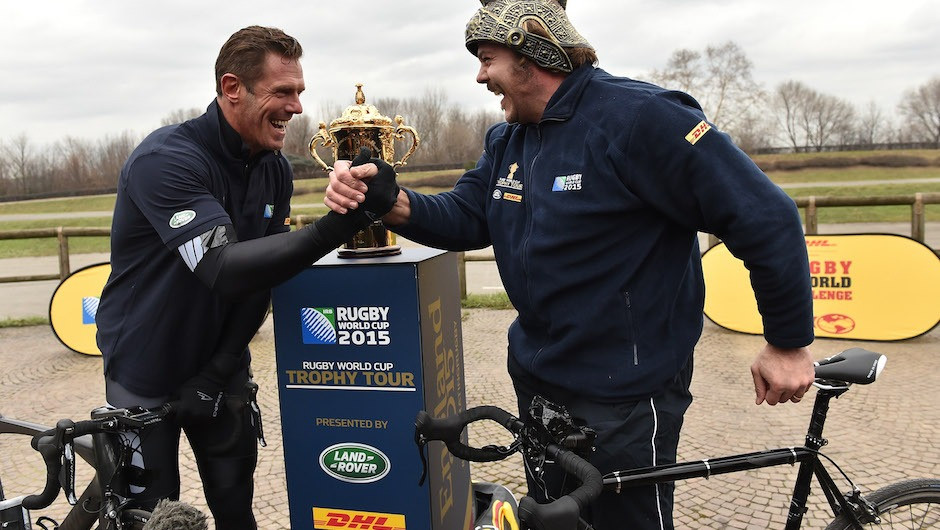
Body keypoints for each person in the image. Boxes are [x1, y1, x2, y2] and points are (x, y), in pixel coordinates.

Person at [325, 1, 816, 529]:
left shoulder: (641, 117)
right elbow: (468, 214)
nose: (480, 75)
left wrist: (786, 343)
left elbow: (763, 214)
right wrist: (387, 199)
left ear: (531, 54)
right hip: (539, 384)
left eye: (487, 58)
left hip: (625, 393)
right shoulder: (508, 138)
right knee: (557, 520)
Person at [96, 26, 398, 529]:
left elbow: (263, 275)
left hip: (221, 361)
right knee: (151, 516)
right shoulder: (166, 159)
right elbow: (224, 268)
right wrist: (337, 227)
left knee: (237, 507)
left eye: (299, 91)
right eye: (283, 92)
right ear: (233, 88)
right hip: (145, 365)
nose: (298, 107)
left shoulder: (274, 168)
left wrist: (218, 369)